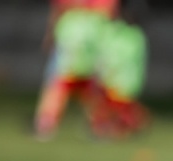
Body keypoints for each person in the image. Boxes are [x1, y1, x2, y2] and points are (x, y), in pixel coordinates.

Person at [34, 0, 116, 140]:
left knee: (90, 90)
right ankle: (46, 123)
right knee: (60, 87)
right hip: (74, 41)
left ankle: (100, 124)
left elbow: (108, 13)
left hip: (89, 42)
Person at [92, 3, 148, 139]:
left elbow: (122, 59)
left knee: (116, 107)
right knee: (112, 107)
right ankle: (114, 127)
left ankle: (118, 127)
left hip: (122, 81)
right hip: (115, 80)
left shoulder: (132, 36)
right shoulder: (119, 33)